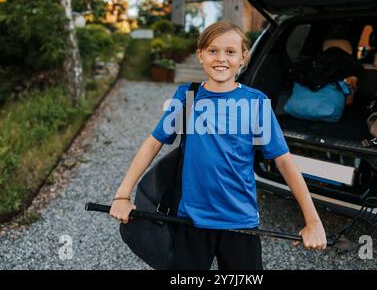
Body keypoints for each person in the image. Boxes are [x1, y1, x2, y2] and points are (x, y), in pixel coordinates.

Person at [110, 20, 327, 270]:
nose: (221, 58)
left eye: (230, 52)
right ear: (200, 55)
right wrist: (123, 195)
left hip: (239, 223)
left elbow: (284, 161)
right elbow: (153, 143)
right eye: (213, 50)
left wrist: (313, 222)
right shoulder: (188, 96)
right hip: (190, 221)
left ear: (243, 57)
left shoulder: (255, 103)